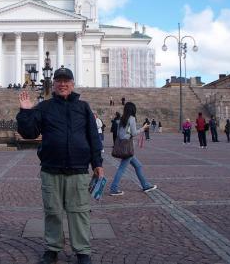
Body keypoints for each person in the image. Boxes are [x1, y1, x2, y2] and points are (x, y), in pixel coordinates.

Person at [16, 66, 103, 264]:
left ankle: (82, 251)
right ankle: (52, 249)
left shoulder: (83, 107)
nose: (62, 84)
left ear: (72, 84)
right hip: (51, 168)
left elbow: (93, 137)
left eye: (66, 81)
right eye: (59, 81)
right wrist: (25, 112)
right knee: (52, 211)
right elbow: (28, 133)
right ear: (53, 84)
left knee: (79, 212)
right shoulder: (45, 107)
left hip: (78, 169)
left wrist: (97, 163)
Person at [109, 102, 157, 196]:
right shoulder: (131, 118)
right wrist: (143, 128)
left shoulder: (122, 119)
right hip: (127, 147)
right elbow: (134, 133)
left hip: (122, 145)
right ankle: (113, 188)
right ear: (133, 109)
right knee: (122, 168)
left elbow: (119, 134)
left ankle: (145, 185)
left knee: (138, 165)